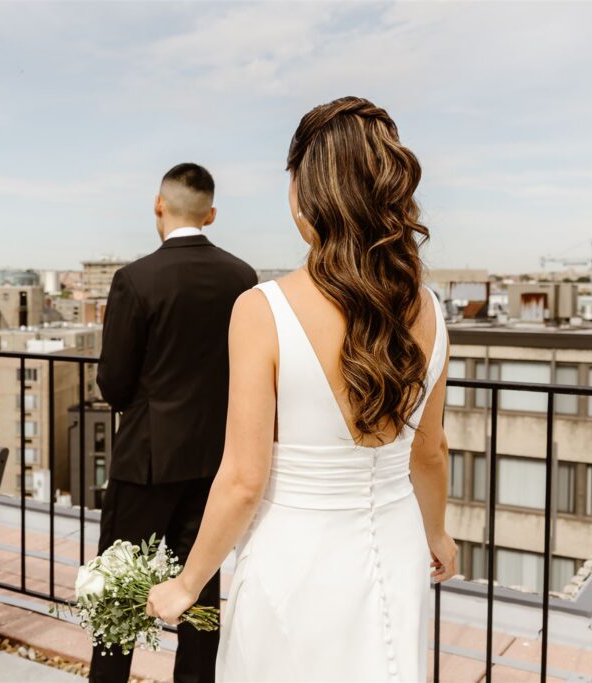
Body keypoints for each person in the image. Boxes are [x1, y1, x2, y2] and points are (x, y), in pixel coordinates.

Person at [146, 97, 458, 682]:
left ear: (303, 192)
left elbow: (244, 480)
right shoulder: (431, 311)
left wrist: (186, 584)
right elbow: (430, 450)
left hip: (297, 563)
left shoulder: (262, 309)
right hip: (398, 550)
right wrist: (436, 532)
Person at [92, 162, 258, 683]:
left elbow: (114, 383)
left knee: (119, 595)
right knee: (200, 591)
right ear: (211, 214)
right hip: (214, 460)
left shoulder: (136, 279)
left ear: (159, 205)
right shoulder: (242, 278)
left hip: (146, 459)